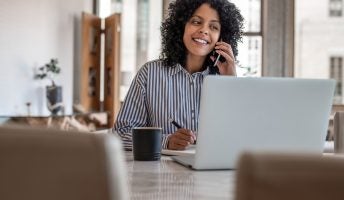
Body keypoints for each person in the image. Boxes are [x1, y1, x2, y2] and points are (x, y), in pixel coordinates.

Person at [113, 0, 243, 150]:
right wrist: (166, 141)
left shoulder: (226, 79)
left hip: (214, 171)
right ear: (181, 26)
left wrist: (232, 83)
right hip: (160, 172)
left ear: (221, 37)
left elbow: (241, 135)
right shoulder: (149, 74)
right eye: (196, 21)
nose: (204, 30)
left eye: (213, 27)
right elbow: (120, 135)